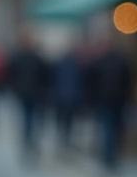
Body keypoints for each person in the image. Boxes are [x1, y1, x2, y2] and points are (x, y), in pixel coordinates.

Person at [86, 33, 134, 172]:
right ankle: (109, 157)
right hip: (108, 101)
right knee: (110, 129)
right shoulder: (107, 61)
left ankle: (109, 157)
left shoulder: (103, 61)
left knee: (112, 129)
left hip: (114, 100)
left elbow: (128, 80)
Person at [6, 28, 52, 162]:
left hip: (24, 93)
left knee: (27, 118)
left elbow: (11, 75)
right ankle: (31, 142)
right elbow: (45, 75)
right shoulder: (37, 57)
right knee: (33, 118)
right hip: (34, 93)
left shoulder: (17, 57)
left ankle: (28, 142)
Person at [52, 41, 86, 154]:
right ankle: (65, 142)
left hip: (61, 98)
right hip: (71, 98)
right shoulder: (78, 65)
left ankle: (63, 142)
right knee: (69, 122)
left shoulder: (59, 64)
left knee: (62, 122)